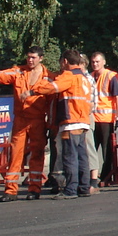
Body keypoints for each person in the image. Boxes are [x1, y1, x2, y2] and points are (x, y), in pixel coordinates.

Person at [0, 47, 53, 201]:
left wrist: (50, 122)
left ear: (41, 58)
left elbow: (52, 101)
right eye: (28, 57)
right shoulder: (19, 72)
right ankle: (10, 190)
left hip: (38, 120)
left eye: (33, 58)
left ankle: (35, 189)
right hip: (20, 120)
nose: (30, 60)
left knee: (37, 154)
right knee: (15, 154)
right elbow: (2, 75)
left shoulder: (48, 77)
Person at [41, 50, 95, 199]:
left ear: (65, 61)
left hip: (70, 120)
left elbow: (52, 88)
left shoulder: (69, 75)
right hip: (83, 121)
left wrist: (33, 89)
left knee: (69, 157)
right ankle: (84, 187)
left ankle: (71, 189)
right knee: (82, 156)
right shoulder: (83, 77)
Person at [89, 52, 118, 186]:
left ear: (104, 62)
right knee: (91, 148)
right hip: (93, 118)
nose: (95, 64)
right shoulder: (91, 76)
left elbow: (117, 97)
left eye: (97, 61)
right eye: (93, 62)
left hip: (106, 119)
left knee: (106, 150)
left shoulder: (110, 76)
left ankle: (106, 176)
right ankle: (92, 175)